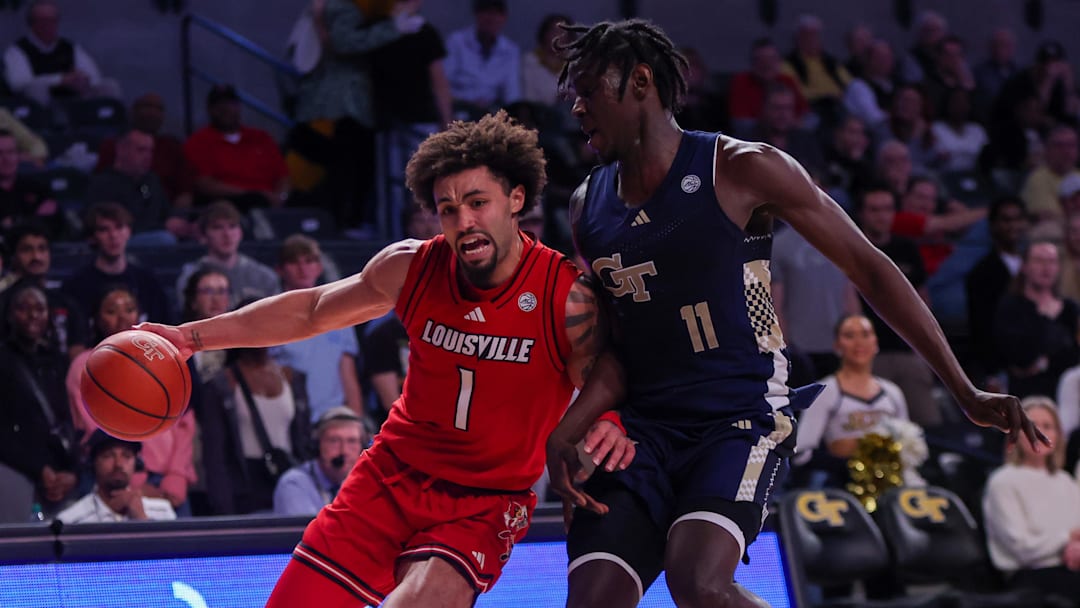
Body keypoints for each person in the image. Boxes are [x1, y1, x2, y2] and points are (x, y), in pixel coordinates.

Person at [546, 19, 1047, 608]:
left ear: (640, 81)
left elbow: (870, 268)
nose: (577, 106)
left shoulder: (741, 167)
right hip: (646, 429)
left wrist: (963, 389)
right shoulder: (587, 207)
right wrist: (568, 429)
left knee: (698, 582)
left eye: (588, 89)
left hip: (739, 416)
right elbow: (620, 352)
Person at [138, 111, 634, 606]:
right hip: (390, 478)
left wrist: (609, 427)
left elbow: (602, 387)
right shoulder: (412, 267)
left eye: (478, 202)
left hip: (483, 502)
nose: (464, 222)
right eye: (447, 209)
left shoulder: (565, 296)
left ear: (517, 199)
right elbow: (310, 310)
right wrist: (189, 337)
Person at [65, 285, 197, 516]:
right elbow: (95, 429)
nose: (122, 317)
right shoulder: (85, 366)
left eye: (129, 309)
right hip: (114, 477)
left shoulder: (162, 356)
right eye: (111, 311)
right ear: (97, 318)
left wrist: (177, 476)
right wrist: (132, 478)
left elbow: (185, 420)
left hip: (167, 480)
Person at [793, 314, 914, 489]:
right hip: (841, 485)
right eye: (849, 336)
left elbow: (909, 444)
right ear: (837, 345)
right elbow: (802, 451)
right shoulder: (826, 391)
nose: (859, 343)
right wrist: (845, 465)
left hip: (890, 484)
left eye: (865, 334)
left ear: (875, 342)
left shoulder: (892, 392)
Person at [982, 397, 1080, 605]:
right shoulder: (1003, 481)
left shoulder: (1065, 480)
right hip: (1030, 577)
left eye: (1047, 426)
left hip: (1069, 569)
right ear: (1015, 432)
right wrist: (1067, 539)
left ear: (1058, 435)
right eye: (1031, 425)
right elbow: (1021, 549)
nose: (1038, 432)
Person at [270, 234, 363, 421]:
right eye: (294, 262)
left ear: (319, 267)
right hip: (287, 418)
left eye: (309, 261)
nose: (303, 269)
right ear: (280, 270)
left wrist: (356, 421)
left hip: (332, 418)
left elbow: (348, 375)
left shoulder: (341, 313)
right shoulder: (270, 316)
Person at [56, 431, 177, 524]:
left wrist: (142, 519)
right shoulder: (70, 521)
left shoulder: (162, 512)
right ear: (92, 463)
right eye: (108, 455)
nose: (119, 464)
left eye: (126, 456)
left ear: (137, 463)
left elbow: (173, 550)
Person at [273, 407, 368, 516]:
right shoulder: (294, 484)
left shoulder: (366, 483)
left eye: (352, 441)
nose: (344, 451)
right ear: (317, 445)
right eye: (334, 441)